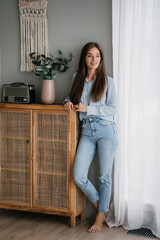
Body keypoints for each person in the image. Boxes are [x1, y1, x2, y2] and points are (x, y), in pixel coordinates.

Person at [63, 42, 118, 233]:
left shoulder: (108, 81)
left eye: (97, 56)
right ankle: (100, 207)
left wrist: (89, 108)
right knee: (78, 175)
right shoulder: (76, 78)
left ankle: (100, 216)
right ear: (84, 59)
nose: (94, 60)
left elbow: (113, 108)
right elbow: (69, 97)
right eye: (90, 56)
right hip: (86, 131)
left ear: (101, 59)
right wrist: (67, 102)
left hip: (105, 130)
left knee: (104, 176)